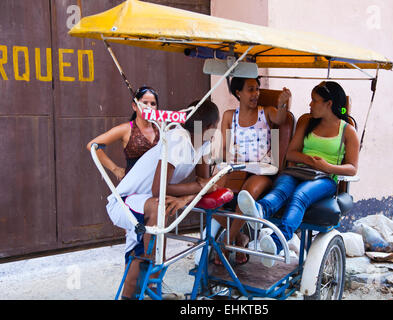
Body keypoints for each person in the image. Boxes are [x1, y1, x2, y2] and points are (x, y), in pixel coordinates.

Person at [105, 99, 220, 299]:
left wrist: (188, 196)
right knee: (148, 252)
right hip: (124, 201)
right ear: (209, 127)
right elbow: (159, 189)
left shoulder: (202, 144)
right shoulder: (178, 138)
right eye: (216, 128)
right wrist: (199, 187)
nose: (215, 133)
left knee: (153, 250)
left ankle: (149, 286)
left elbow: (204, 183)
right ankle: (145, 280)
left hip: (147, 202)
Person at [237, 81, 360, 267]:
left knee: (299, 196)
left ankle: (279, 241)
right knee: (281, 190)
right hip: (299, 170)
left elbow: (352, 168)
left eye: (314, 100)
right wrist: (310, 160)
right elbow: (291, 153)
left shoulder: (347, 131)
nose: (310, 104)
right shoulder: (306, 121)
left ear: (329, 104)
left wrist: (327, 166)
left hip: (325, 178)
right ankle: (260, 210)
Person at [215, 77, 291, 265]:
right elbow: (224, 148)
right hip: (235, 168)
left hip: (262, 170)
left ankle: (227, 243)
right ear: (238, 93)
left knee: (245, 195)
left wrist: (282, 104)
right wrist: (229, 159)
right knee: (207, 196)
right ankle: (239, 237)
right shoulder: (228, 115)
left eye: (257, 89)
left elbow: (281, 119)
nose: (256, 94)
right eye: (250, 89)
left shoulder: (266, 112)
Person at [86, 86, 160, 181]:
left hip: (158, 184)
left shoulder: (161, 128)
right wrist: (115, 169)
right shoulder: (126, 129)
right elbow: (92, 145)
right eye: (145, 103)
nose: (149, 107)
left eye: (153, 104)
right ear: (134, 106)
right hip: (134, 184)